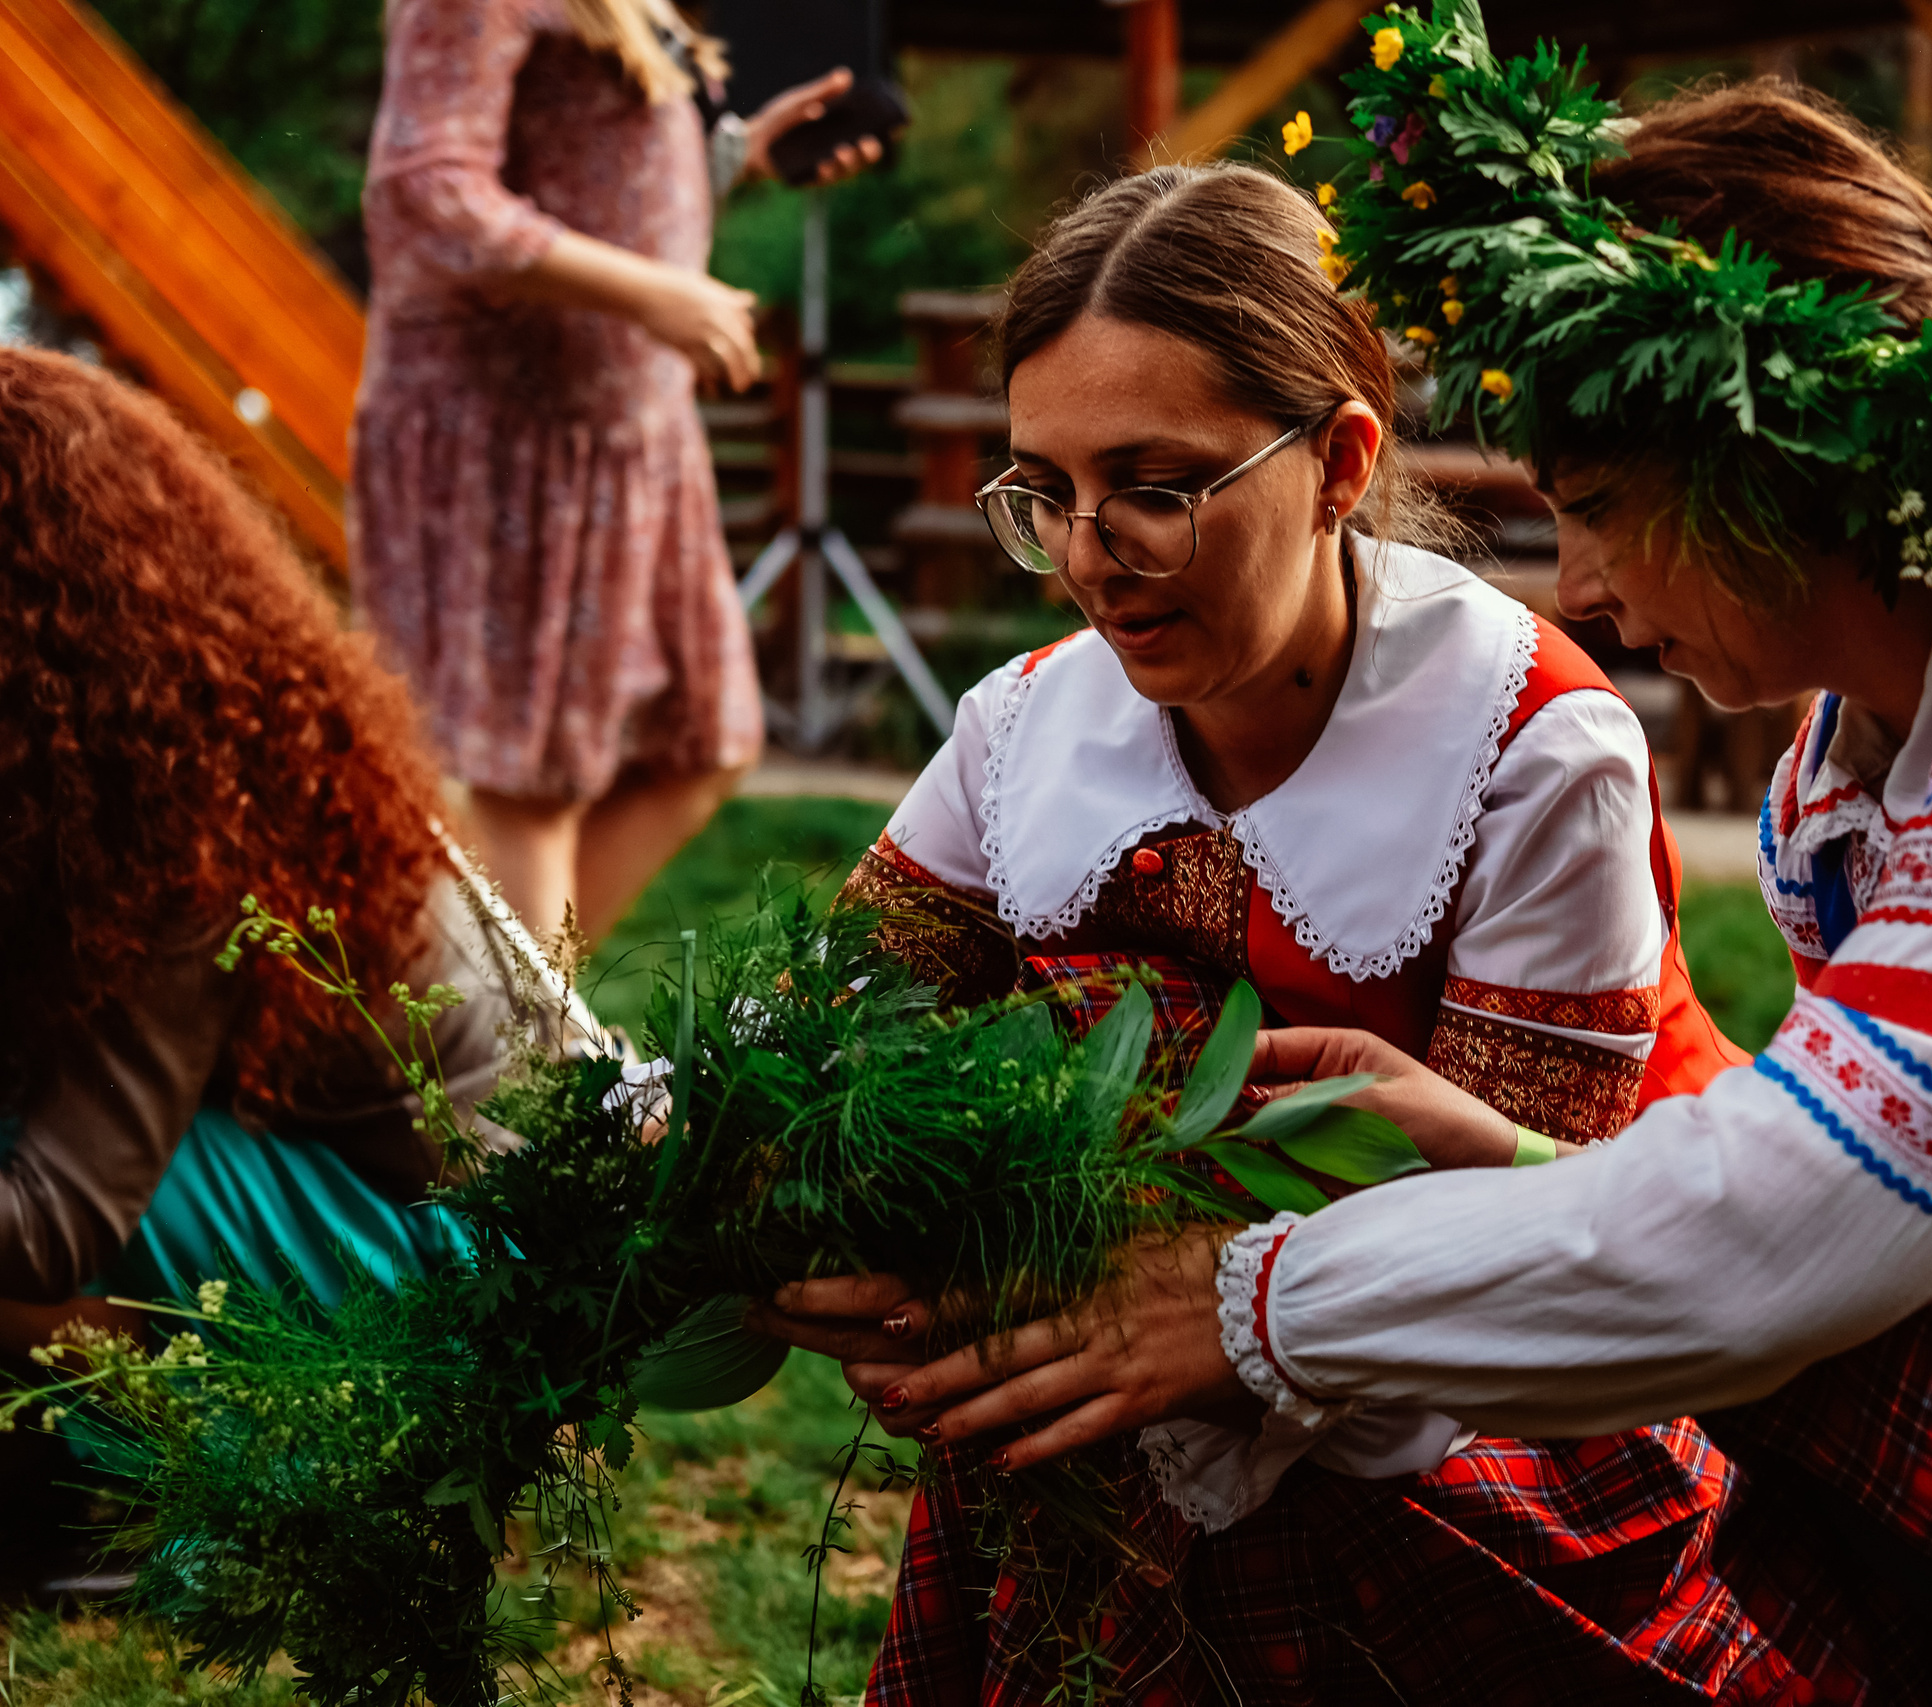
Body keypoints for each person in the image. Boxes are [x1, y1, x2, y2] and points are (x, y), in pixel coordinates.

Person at [766, 63, 1932, 1707]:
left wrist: (1235, 1302)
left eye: (1613, 505)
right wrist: (1501, 1168)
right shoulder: (1851, 763)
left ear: (1783, 447)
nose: (1596, 591)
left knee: (1912, 1324)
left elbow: (1803, 1240)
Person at [751, 162, 1769, 1705]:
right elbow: (813, 1029)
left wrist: (1180, 1291)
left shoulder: (1529, 740)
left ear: (1342, 459)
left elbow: (1509, 1245)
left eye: (1156, 485)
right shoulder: (1027, 726)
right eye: (1046, 492)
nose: (1092, 554)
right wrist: (794, 1214)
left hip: (1482, 1406)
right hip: (1107, 1380)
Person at [0, 350, 588, 1548]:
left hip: (488, 1285)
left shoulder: (181, 814)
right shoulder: (108, 760)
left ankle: (210, 1491)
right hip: (403, 1216)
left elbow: (53, 1222)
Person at [353, 0, 873, 938]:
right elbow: (425, 186)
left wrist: (738, 160)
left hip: (635, 438)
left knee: (707, 740)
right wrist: (656, 294)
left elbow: (590, 182)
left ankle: (479, 1020)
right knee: (537, 783)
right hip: (521, 437)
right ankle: (512, 1055)